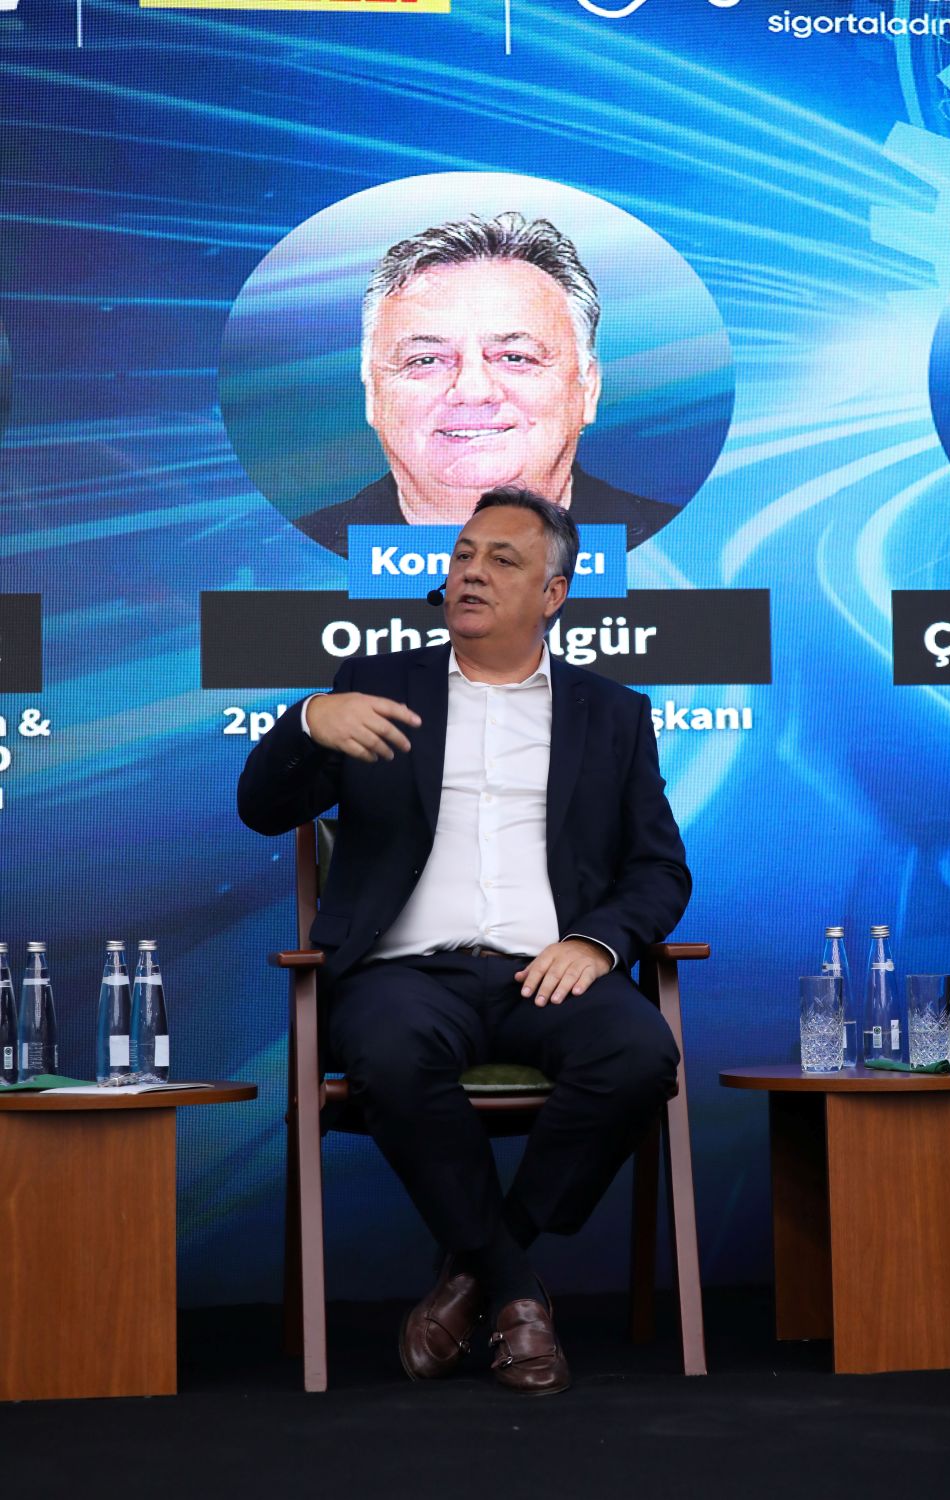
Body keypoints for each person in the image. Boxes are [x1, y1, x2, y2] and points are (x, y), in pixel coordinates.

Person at [238, 488, 691, 1395]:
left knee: (641, 1052)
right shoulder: (375, 686)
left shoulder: (612, 713)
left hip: (547, 974)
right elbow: (262, 810)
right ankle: (517, 1293)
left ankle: (479, 1271)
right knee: (393, 1052)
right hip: (405, 974)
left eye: (503, 560)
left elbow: (658, 871)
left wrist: (596, 943)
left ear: (554, 594)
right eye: (464, 555)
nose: (472, 572)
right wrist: (307, 722)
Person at [295, 213, 679, 554]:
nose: (472, 391)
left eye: (515, 358)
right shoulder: (284, 559)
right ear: (373, 395)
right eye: (426, 360)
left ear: (588, 389)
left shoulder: (685, 551)